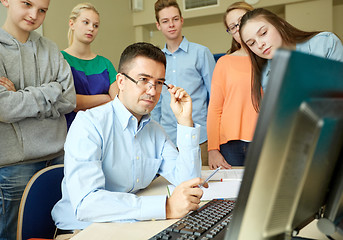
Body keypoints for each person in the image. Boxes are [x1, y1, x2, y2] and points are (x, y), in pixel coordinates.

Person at [52, 42, 205, 240]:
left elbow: (188, 183)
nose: (152, 91)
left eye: (159, 83)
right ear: (121, 82)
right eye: (143, 80)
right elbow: (87, 203)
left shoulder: (155, 130)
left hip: (130, 224)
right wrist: (165, 207)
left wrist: (184, 122)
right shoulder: (89, 124)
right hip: (83, 230)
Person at [0, 0, 76, 239]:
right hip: (15, 167)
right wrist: (51, 90)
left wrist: (20, 96)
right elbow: (4, 108)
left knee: (57, 234)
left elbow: (69, 100)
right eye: (27, 3)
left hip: (59, 158)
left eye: (42, 10)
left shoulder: (51, 49)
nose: (34, 14)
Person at [239, 8, 343, 112]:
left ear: (280, 24)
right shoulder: (266, 76)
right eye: (252, 43)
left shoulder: (325, 43)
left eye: (263, 33)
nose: (260, 45)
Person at [152, 0, 216, 166]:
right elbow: (156, 102)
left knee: (201, 188)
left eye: (175, 19)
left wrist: (215, 140)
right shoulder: (157, 59)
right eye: (165, 21)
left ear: (182, 20)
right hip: (167, 139)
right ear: (158, 25)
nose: (171, 25)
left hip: (199, 137)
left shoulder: (201, 53)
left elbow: (215, 98)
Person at [207, 1, 259, 170]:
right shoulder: (224, 62)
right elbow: (215, 109)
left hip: (264, 141)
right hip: (230, 146)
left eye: (242, 20)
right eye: (233, 26)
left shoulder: (269, 57)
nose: (238, 28)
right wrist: (212, 149)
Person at [63, 3, 118, 129]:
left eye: (96, 25)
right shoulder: (60, 60)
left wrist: (84, 103)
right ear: (72, 24)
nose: (91, 28)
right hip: (71, 132)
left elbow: (118, 104)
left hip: (104, 130)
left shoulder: (105, 63)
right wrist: (104, 98)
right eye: (86, 22)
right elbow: (70, 102)